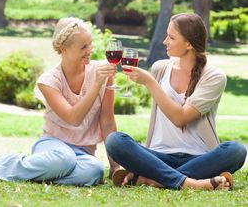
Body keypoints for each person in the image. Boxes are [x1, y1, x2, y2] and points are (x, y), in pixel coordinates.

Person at [106, 13, 247, 190]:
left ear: (188, 44)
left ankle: (153, 179)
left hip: (199, 157)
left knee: (237, 150)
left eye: (171, 37)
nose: (165, 41)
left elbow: (180, 118)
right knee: (115, 141)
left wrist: (150, 82)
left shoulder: (214, 76)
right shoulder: (160, 68)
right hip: (158, 155)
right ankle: (191, 183)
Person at [0, 17, 119, 185]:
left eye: (90, 44)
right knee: (64, 160)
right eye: (83, 46)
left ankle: (34, 175)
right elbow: (73, 118)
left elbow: (107, 121)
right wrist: (97, 84)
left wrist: (114, 167)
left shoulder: (101, 72)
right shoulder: (49, 81)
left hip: (83, 153)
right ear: (63, 49)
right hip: (52, 147)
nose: (90, 50)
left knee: (94, 170)